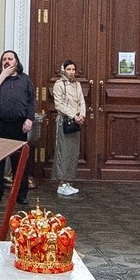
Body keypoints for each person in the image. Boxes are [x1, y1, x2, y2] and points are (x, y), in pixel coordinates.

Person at [0, 49, 35, 207]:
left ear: (16, 62)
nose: (7, 61)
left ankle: (21, 195)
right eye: (4, 59)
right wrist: (3, 75)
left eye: (10, 58)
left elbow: (31, 101)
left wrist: (29, 119)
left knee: (19, 162)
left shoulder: (25, 80)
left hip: (19, 125)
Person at [51, 59, 86, 197]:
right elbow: (58, 104)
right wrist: (73, 115)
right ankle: (61, 183)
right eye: (69, 69)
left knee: (73, 152)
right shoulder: (59, 85)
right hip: (65, 121)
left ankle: (69, 180)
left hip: (76, 122)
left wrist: (81, 115)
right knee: (63, 152)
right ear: (63, 70)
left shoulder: (77, 85)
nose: (71, 72)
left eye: (73, 69)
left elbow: (81, 101)